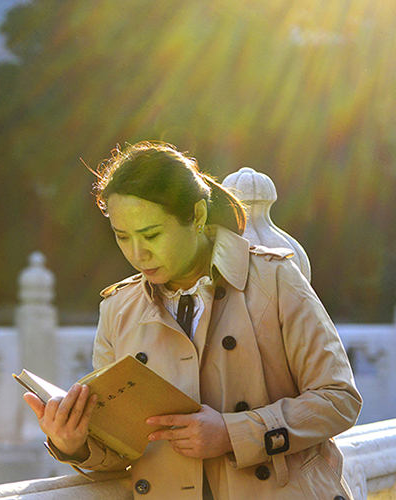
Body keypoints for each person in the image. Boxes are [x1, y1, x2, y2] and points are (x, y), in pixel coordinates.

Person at [23, 141, 362, 500]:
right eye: (122, 237)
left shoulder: (273, 279)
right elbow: (126, 449)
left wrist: (232, 434)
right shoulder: (118, 309)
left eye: (151, 235)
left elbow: (338, 399)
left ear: (197, 216)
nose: (138, 253)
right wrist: (73, 442)